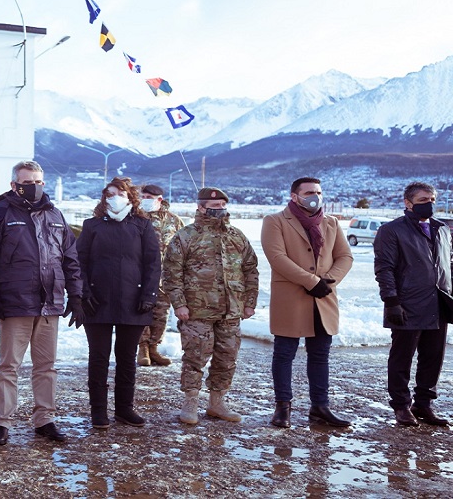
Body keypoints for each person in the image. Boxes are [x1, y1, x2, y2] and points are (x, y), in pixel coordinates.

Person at [0, 160, 84, 446]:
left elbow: (70, 259)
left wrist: (77, 295)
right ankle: (2, 422)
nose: (34, 187)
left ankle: (45, 419)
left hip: (49, 304)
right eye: (27, 182)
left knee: (46, 366)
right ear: (14, 184)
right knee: (9, 365)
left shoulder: (55, 215)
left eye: (38, 181)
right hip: (15, 301)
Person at [261, 177, 353, 428]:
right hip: (291, 298)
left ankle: (320, 408)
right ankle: (283, 407)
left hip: (323, 298)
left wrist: (329, 280)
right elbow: (277, 257)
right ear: (295, 196)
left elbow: (345, 256)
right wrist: (312, 281)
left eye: (319, 192)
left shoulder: (331, 223)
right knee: (284, 354)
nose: (316, 196)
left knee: (320, 355)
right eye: (310, 192)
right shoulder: (275, 221)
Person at [163, 187, 259, 424]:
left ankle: (217, 403)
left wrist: (249, 302)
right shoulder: (186, 236)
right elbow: (171, 274)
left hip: (230, 311)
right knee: (195, 357)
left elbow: (250, 269)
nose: (219, 210)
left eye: (222, 206)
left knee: (227, 358)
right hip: (196, 311)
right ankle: (190, 403)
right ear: (200, 207)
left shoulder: (236, 236)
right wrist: (179, 304)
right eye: (213, 206)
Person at [76, 177, 160, 429]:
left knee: (126, 358)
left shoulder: (142, 226)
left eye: (119, 193)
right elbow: (79, 262)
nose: (113, 197)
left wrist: (148, 295)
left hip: (132, 301)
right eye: (109, 194)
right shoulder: (92, 226)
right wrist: (83, 292)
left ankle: (124, 409)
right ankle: (98, 411)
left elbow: (152, 264)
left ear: (130, 197)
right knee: (99, 358)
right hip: (97, 301)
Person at [374, 181, 451, 427]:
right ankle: (401, 405)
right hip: (407, 304)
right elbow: (384, 268)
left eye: (432, 200)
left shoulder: (442, 230)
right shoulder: (391, 230)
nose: (429, 204)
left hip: (438, 304)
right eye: (422, 201)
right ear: (407, 204)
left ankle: (423, 403)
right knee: (402, 357)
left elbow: (447, 264)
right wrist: (392, 301)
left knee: (433, 356)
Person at [137, 184, 184, 366]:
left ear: (160, 200)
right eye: (144, 196)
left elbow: (181, 247)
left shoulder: (174, 221)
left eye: (150, 197)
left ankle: (154, 347)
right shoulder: (136, 217)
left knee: (161, 314)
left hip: (165, 276)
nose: (145, 200)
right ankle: (142, 349)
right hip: (141, 275)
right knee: (142, 311)